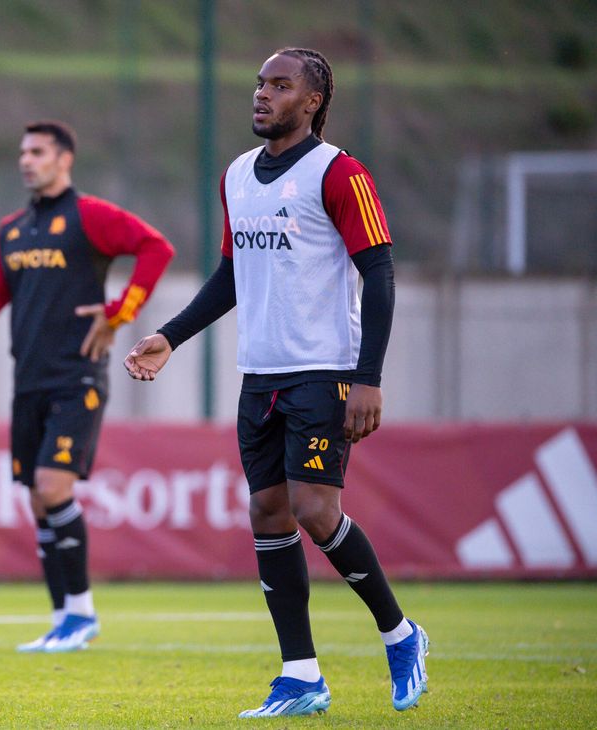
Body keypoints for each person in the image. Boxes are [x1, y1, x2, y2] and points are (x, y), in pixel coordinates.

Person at [123, 48, 429, 716]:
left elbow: (377, 272)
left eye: (280, 85)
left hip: (323, 372)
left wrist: (367, 379)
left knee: (316, 510)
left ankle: (401, 634)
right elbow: (233, 274)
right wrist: (170, 335)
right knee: (268, 513)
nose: (262, 95)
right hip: (258, 374)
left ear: (313, 100)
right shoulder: (237, 175)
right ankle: (300, 676)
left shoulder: (339, 174)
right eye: (260, 83)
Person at [0, 120, 175, 653]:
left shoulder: (90, 217)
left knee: (54, 486)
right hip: (30, 381)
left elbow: (156, 249)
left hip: (76, 376)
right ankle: (63, 618)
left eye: (37, 152)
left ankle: (82, 616)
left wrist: (118, 314)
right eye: (22, 151)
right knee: (40, 500)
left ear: (64, 160)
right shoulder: (13, 230)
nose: (26, 160)